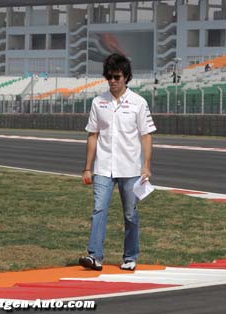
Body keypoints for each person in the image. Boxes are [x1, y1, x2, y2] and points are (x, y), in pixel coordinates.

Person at [79, 53, 156, 271]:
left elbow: (146, 135)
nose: (112, 81)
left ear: (126, 77)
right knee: (98, 209)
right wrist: (87, 167)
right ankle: (94, 256)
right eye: (109, 77)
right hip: (103, 167)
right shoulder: (98, 102)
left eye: (117, 77)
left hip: (130, 167)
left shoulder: (139, 103)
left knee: (130, 213)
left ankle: (130, 256)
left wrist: (146, 165)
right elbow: (92, 135)